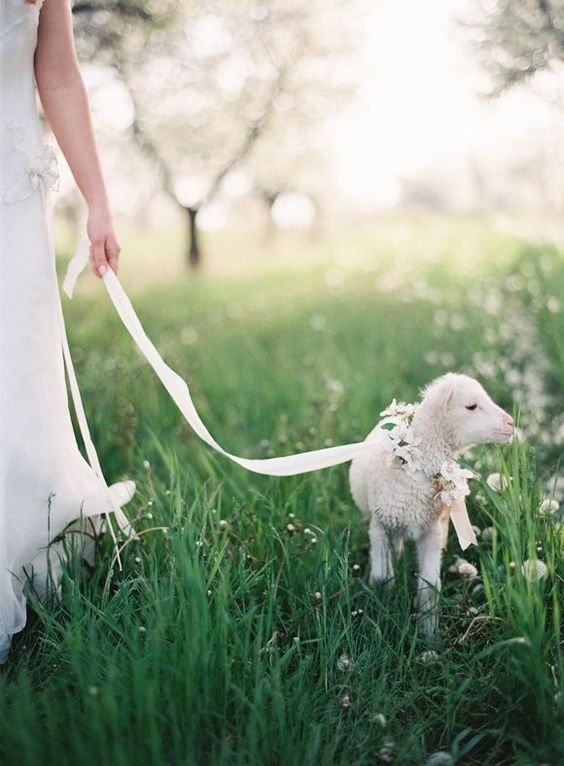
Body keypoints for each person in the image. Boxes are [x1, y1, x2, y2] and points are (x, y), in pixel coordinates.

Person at [0, 0, 136, 664]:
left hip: (12, 194)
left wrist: (99, 201)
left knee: (19, 369)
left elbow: (57, 72)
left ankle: (23, 553)